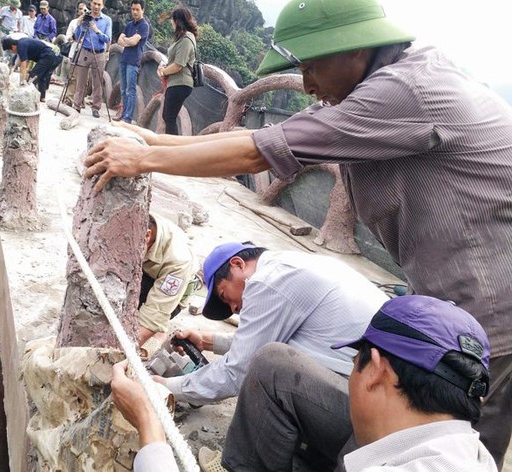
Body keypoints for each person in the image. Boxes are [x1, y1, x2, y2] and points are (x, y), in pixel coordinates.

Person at [87, 0, 512, 464]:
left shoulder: (404, 91)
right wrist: (156, 140)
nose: (307, 85)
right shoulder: (388, 84)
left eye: (311, 67)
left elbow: (257, 153)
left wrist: (145, 159)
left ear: (354, 51)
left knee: (445, 452)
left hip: (487, 324)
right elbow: (267, 138)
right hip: (439, 313)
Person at [112, 295, 498, 472]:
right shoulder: (471, 452)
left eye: (355, 363)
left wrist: (150, 424)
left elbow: (231, 374)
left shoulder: (271, 285)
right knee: (275, 362)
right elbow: (267, 346)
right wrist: (213, 340)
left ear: (377, 370)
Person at [157, 241, 386, 406]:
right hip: (383, 387)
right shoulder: (287, 266)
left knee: (266, 370)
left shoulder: (267, 282)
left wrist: (165, 387)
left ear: (238, 264)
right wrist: (207, 341)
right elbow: (264, 338)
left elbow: (236, 373)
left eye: (226, 297)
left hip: (369, 399)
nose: (234, 309)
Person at [138, 214, 197, 351]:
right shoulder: (141, 223)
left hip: (172, 296)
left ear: (147, 236)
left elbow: (151, 317)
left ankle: (160, 332)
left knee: (145, 321)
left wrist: (115, 354)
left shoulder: (178, 260)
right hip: (145, 273)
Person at [156, 7, 197, 135]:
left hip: (181, 83)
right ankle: (171, 145)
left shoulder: (186, 39)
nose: (171, 23)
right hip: (176, 82)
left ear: (178, 21)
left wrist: (163, 72)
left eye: (172, 20)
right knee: (168, 116)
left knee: (169, 117)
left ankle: (172, 146)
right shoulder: (182, 37)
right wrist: (164, 67)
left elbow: (178, 65)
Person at [72, 0, 112, 118]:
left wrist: (96, 30)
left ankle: (96, 107)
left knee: (98, 81)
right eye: (94, 3)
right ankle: (77, 105)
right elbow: (77, 36)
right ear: (91, 4)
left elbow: (107, 39)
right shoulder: (86, 17)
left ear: (103, 6)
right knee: (81, 81)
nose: (96, 6)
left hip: (99, 53)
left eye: (99, 4)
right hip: (84, 51)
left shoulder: (107, 20)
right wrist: (80, 22)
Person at [114, 0, 149, 124]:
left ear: (142, 10)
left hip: (133, 62)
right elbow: (119, 41)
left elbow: (134, 42)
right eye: (133, 9)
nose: (134, 12)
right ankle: (123, 113)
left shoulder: (144, 25)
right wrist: (129, 40)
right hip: (124, 59)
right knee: (123, 89)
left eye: (137, 9)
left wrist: (127, 40)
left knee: (130, 90)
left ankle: (127, 118)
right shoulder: (129, 25)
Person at [2, 36, 62, 102]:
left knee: (33, 76)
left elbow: (23, 67)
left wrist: (22, 82)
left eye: (10, 50)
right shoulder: (21, 42)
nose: (11, 52)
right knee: (42, 77)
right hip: (52, 55)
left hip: (47, 55)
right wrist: (13, 69)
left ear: (13, 47)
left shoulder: (21, 46)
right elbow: (20, 60)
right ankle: (42, 97)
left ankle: (27, 98)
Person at [61, 1, 87, 107]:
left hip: (86, 53)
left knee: (85, 79)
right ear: (77, 10)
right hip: (74, 51)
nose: (82, 11)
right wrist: (74, 38)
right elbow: (68, 37)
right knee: (72, 77)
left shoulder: (92, 23)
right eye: (80, 9)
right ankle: (68, 98)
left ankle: (80, 99)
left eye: (84, 9)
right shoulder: (73, 22)